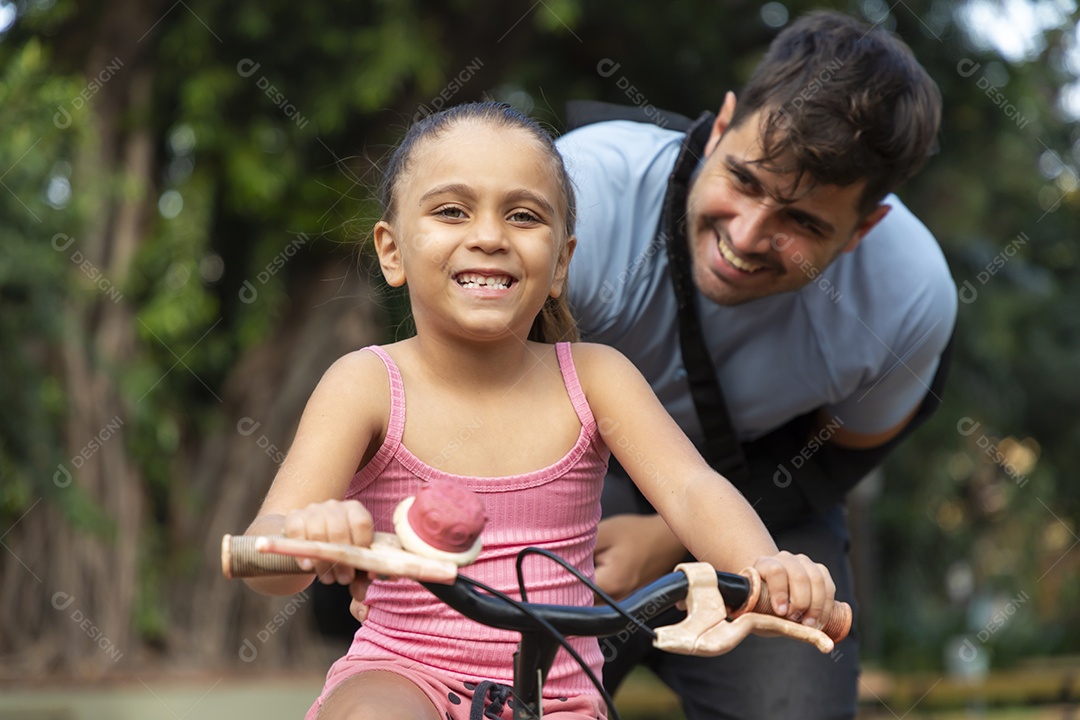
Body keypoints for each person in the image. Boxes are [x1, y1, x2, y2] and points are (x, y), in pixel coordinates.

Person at [241, 101, 840, 720]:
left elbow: (692, 490)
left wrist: (766, 567)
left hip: (558, 693)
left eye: (523, 216)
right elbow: (267, 557)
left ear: (560, 263)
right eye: (451, 211)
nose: (490, 236)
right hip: (401, 670)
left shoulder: (595, 377)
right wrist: (307, 538)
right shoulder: (365, 383)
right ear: (392, 252)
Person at [555, 10, 957, 720]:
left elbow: (835, 459)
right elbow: (470, 394)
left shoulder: (908, 299)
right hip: (570, 462)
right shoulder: (585, 191)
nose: (745, 238)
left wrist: (669, 539)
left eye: (801, 223)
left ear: (866, 226)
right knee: (500, 684)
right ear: (721, 126)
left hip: (766, 491)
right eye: (742, 180)